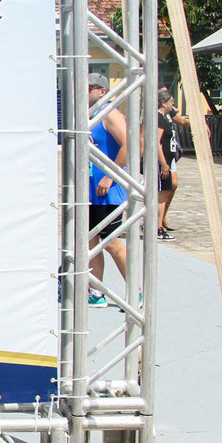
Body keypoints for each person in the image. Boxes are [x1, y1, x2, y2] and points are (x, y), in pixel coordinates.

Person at [87, 73, 129, 308]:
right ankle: (97, 291)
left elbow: (129, 144)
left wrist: (109, 177)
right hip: (92, 191)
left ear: (102, 91)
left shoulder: (110, 113)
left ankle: (136, 292)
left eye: (88, 87)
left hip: (109, 192)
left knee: (112, 243)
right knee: (91, 241)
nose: (83, 92)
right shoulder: (91, 115)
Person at [156, 89, 179, 241]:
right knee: (161, 196)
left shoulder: (165, 117)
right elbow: (157, 142)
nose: (173, 105)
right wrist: (163, 164)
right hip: (162, 162)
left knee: (165, 193)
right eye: (171, 101)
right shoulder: (159, 118)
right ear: (164, 103)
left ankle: (158, 225)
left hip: (169, 160)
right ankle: (157, 228)